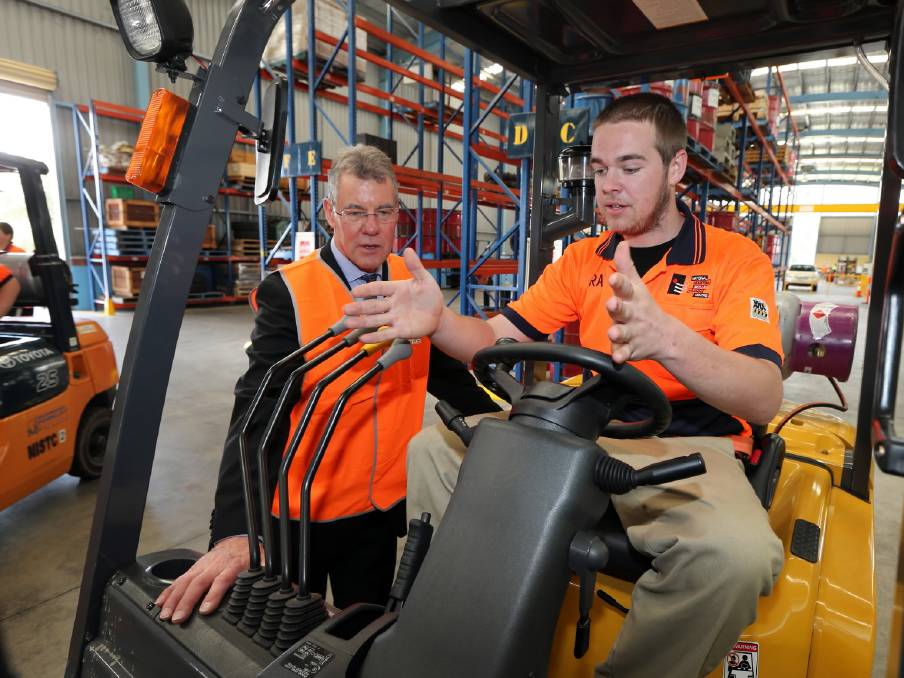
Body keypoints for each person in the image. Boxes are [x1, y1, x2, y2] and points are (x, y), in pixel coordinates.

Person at [342, 94, 785, 678]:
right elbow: (496, 336)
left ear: (676, 168)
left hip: (689, 448)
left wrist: (668, 340)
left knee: (737, 557)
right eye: (600, 170)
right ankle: (457, 641)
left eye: (630, 168)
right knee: (433, 450)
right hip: (585, 433)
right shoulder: (582, 260)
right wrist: (439, 322)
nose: (609, 187)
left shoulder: (734, 259)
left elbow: (763, 395)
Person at [155, 144, 499, 624]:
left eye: (383, 211)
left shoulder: (410, 284)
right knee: (293, 638)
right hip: (300, 516)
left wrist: (508, 418)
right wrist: (235, 530)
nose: (372, 227)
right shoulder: (290, 292)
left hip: (378, 512)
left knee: (363, 630)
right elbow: (257, 410)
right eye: (355, 211)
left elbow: (444, 374)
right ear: (330, 214)